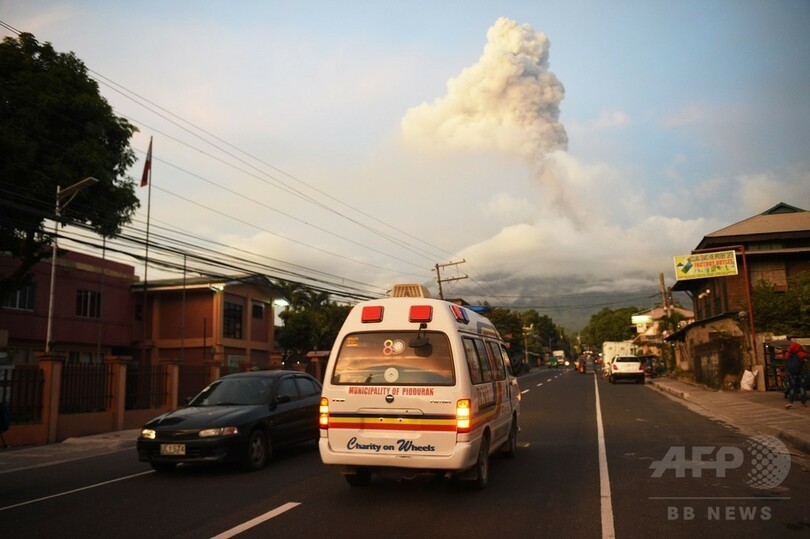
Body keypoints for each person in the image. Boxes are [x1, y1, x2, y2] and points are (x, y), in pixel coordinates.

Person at [784, 341, 808, 409]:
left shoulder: (787, 355)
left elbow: (786, 362)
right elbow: (807, 357)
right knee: (802, 388)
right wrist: (804, 350)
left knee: (793, 388)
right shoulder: (801, 354)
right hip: (801, 374)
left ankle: (790, 402)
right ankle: (803, 403)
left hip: (792, 374)